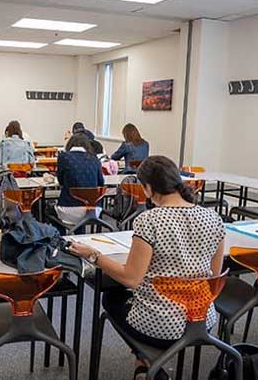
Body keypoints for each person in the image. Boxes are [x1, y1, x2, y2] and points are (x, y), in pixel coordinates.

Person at [68, 156, 224, 379]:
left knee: (112, 296)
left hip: (160, 327)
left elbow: (131, 279)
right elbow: (214, 275)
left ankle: (145, 360)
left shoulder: (150, 220)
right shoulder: (213, 218)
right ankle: (145, 363)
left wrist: (93, 255)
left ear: (148, 189)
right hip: (202, 321)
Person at [54, 134, 105, 233]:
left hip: (70, 208)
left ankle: (61, 239)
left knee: (49, 210)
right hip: (93, 209)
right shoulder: (94, 158)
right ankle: (80, 237)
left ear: (69, 145)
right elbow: (101, 183)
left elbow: (60, 181)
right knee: (81, 214)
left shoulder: (63, 157)